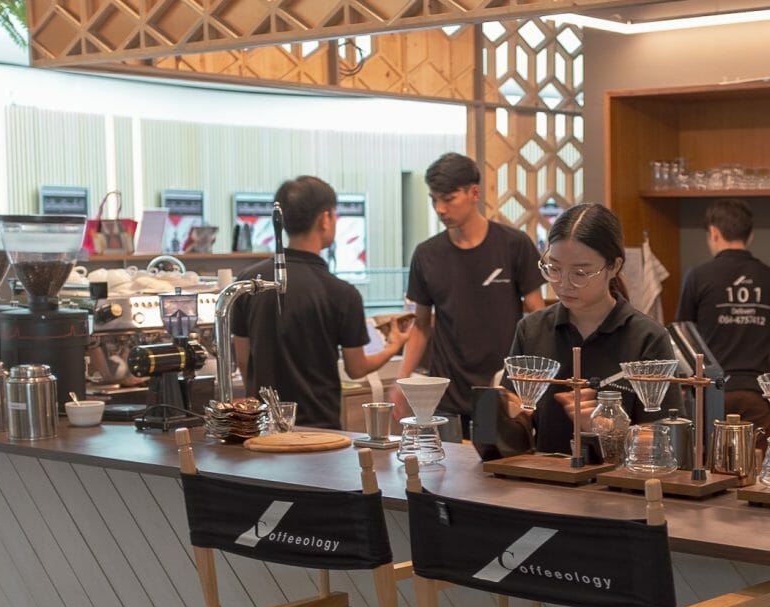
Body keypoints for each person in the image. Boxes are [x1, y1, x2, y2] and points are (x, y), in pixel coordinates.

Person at [232, 175, 407, 430]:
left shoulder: (249, 282)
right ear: (325, 219)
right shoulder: (342, 293)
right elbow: (357, 368)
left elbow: (244, 360)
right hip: (319, 429)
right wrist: (393, 346)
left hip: (262, 428)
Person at [509, 203, 675, 455]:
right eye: (554, 268)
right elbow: (516, 429)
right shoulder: (531, 330)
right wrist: (503, 413)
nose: (563, 284)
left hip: (620, 488)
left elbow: (668, 442)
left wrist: (610, 431)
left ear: (614, 266)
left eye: (580, 272)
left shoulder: (647, 338)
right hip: (544, 485)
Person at [396, 153, 544, 434]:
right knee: (443, 472)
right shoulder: (427, 254)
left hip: (498, 389)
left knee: (489, 472)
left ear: (474, 193)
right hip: (445, 393)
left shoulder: (514, 245)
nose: (440, 208)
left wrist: (532, 380)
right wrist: (403, 383)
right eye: (433, 199)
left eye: (448, 199)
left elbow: (537, 314)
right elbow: (422, 326)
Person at [675, 199, 770, 435]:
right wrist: (756, 345)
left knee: (711, 466)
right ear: (750, 235)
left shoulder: (697, 277)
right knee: (755, 463)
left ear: (713, 232)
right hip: (757, 392)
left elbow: (682, 340)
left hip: (711, 391)